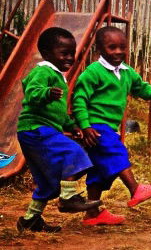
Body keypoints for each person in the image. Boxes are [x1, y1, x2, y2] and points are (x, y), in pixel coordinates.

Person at [72, 26, 151, 225]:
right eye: (111, 47)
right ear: (100, 49)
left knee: (98, 171)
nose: (118, 52)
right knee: (117, 152)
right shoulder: (93, 72)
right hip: (96, 126)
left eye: (122, 47)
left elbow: (144, 89)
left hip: (108, 126)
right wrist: (85, 125)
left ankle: (92, 213)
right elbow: (79, 99)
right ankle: (135, 189)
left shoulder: (126, 72)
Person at [16, 28, 102, 232]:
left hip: (39, 130)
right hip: (36, 128)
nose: (70, 58)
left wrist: (71, 125)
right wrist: (46, 92)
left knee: (48, 183)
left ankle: (29, 221)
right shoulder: (43, 71)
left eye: (72, 53)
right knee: (72, 151)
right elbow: (31, 93)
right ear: (46, 53)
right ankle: (69, 198)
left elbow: (59, 113)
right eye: (64, 53)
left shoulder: (57, 75)